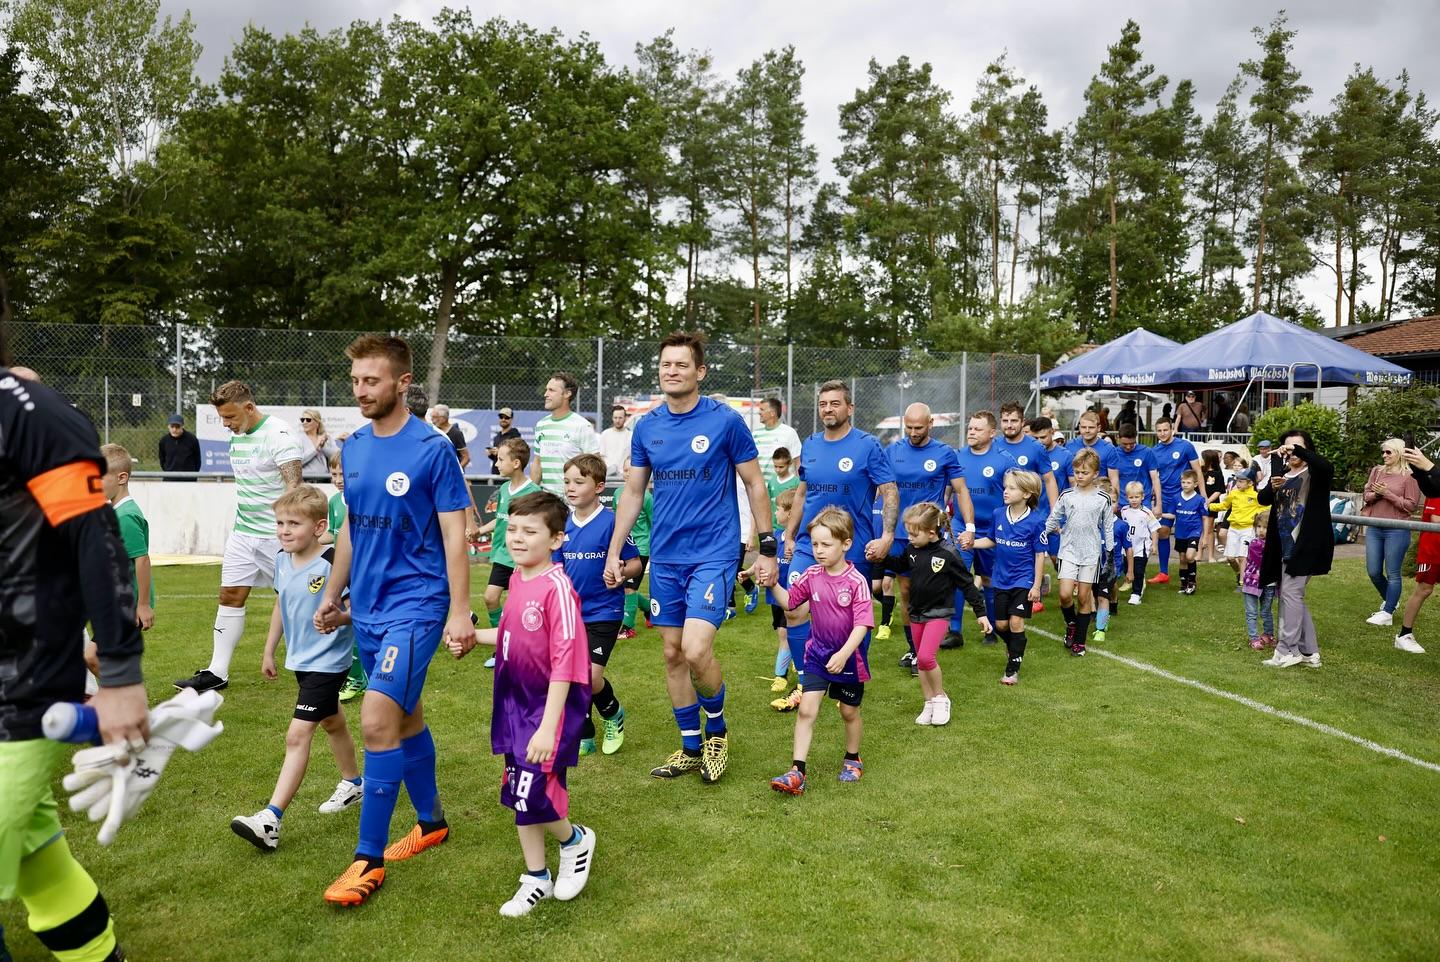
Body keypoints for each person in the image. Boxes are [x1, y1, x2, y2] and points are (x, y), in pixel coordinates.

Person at [1, 325, 148, 962]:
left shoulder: (28, 411)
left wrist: (118, 675)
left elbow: (97, 539)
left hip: (21, 687)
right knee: (40, 865)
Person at [314, 335, 475, 907]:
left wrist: (460, 610)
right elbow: (353, 530)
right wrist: (335, 594)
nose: (361, 391)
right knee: (406, 717)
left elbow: (456, 533)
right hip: (371, 608)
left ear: (403, 383)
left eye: (372, 381)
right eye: (356, 381)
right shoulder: (353, 447)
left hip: (419, 604)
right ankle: (431, 823)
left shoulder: (431, 450)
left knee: (377, 718)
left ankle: (367, 859)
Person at [605, 331, 776, 783]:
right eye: (665, 364)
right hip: (666, 557)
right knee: (670, 653)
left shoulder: (726, 421)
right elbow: (634, 491)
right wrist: (616, 549)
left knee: (697, 649)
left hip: (714, 553)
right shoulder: (648, 427)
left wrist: (767, 545)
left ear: (699, 372)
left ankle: (717, 732)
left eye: (681, 365)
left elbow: (755, 484)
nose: (671, 371)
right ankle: (689, 745)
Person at [445, 491, 597, 917]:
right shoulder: (518, 578)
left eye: (530, 531)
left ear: (556, 540)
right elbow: (513, 637)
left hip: (548, 708)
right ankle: (536, 877)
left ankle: (575, 840)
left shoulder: (559, 589)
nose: (516, 538)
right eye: (512, 529)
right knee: (517, 790)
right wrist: (473, 639)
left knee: (531, 791)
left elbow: (567, 662)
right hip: (514, 702)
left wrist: (549, 727)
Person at [230, 486, 363, 851]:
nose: (284, 530)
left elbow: (358, 612)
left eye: (294, 524)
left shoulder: (334, 562)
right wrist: (269, 650)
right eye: (280, 523)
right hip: (300, 660)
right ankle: (353, 783)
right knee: (332, 721)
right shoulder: (282, 560)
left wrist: (341, 619)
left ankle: (271, 819)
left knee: (297, 736)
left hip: (328, 663)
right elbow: (280, 606)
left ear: (319, 527)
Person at [176, 381, 303, 693]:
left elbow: (294, 484)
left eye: (230, 417)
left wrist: (288, 529)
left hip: (278, 537)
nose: (227, 425)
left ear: (249, 408)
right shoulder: (238, 435)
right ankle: (217, 671)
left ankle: (331, 667)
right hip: (243, 534)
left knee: (301, 601)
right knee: (230, 595)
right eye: (222, 419)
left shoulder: (279, 434)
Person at [780, 381, 896, 698]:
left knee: (851, 616)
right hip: (808, 544)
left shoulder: (868, 446)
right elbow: (802, 493)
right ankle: (807, 680)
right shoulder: (812, 445)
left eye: (834, 403)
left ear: (849, 408)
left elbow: (889, 492)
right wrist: (789, 535)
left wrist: (886, 535)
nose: (828, 409)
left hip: (852, 546)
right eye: (823, 404)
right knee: (793, 610)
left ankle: (850, 679)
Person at [767, 508, 874, 794]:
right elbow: (790, 602)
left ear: (846, 544)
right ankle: (796, 772)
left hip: (849, 658)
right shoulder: (812, 575)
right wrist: (772, 584)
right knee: (807, 711)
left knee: (849, 713)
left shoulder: (856, 582)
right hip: (817, 655)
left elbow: (863, 623)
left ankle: (853, 759)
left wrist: (844, 654)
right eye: (815, 544)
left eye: (826, 544)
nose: (819, 550)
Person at [558, 454, 641, 757]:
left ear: (599, 486)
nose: (571, 487)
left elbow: (635, 563)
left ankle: (613, 715)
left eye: (579, 482)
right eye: (567, 481)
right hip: (568, 615)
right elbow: (555, 568)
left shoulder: (612, 522)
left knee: (589, 676)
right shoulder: (561, 523)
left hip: (604, 612)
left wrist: (621, 572)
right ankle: (584, 734)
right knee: (569, 675)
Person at [881, 502, 988, 718]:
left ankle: (940, 698)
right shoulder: (912, 549)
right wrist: (880, 557)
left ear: (931, 533)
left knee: (927, 657)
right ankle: (928, 702)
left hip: (938, 614)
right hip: (916, 612)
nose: (909, 538)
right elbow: (900, 565)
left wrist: (981, 613)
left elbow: (967, 584)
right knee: (919, 660)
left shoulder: (948, 554)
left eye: (913, 533)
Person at [887, 403, 974, 665]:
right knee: (906, 593)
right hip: (902, 535)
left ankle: (926, 651)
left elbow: (961, 491)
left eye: (919, 427)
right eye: (909, 427)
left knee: (928, 593)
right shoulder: (893, 451)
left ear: (930, 423)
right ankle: (914, 649)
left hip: (931, 537)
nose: (913, 432)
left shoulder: (944, 453)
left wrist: (969, 528)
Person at [1256, 431, 1334, 669]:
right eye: (1287, 447)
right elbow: (1263, 499)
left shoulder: (1315, 473)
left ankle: (1287, 650)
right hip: (1283, 545)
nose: (1290, 451)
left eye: (1296, 447)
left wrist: (1298, 450)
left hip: (1307, 544)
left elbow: (1327, 466)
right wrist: (1273, 484)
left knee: (1291, 594)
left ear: (1306, 449)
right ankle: (1309, 652)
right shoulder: (1282, 473)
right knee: (1292, 596)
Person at [972, 471, 1045, 684]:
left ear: (1026, 494)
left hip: (1024, 580)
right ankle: (1015, 646)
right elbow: (991, 540)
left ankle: (1012, 670)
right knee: (1001, 625)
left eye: (1012, 488)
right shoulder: (998, 514)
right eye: (1006, 487)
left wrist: (1037, 585)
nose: (1006, 491)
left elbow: (1040, 555)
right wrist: (972, 543)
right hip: (1000, 579)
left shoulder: (1036, 521)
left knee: (1015, 623)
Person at [1043, 448, 1114, 656]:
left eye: (1084, 472)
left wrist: (1109, 553)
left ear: (1095, 473)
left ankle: (1079, 643)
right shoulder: (1066, 495)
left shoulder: (1103, 498)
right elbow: (1054, 518)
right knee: (1065, 595)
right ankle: (1071, 624)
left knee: (1084, 598)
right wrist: (1043, 533)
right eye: (1076, 472)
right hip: (1069, 551)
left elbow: (1107, 527)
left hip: (1091, 553)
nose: (1079, 476)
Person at [951, 411, 1010, 644]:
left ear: (991, 433)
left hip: (992, 529)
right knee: (957, 575)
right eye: (970, 428)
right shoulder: (957, 456)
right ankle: (954, 631)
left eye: (977, 429)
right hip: (961, 526)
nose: (971, 432)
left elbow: (1016, 492)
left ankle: (992, 630)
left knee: (988, 579)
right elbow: (949, 490)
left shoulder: (1005, 459)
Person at [1361, 439, 1421, 627]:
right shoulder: (1377, 471)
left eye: (1389, 452)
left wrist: (1388, 494)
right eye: (1383, 452)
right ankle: (1390, 602)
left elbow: (1410, 506)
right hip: (1374, 526)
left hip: (1397, 529)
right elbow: (1366, 495)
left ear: (1399, 454)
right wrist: (1378, 494)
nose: (1384, 456)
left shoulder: (1410, 476)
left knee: (1393, 572)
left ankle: (1387, 612)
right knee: (1373, 571)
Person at [324, 454, 367, 703]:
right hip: (341, 570)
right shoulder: (333, 502)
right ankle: (357, 675)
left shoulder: (364, 500)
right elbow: (332, 534)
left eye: (343, 474)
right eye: (334, 475)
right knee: (349, 622)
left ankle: (359, 677)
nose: (339, 480)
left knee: (357, 621)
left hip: (363, 570)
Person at [100, 444, 155, 632]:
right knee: (93, 656)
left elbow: (142, 560)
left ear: (121, 478)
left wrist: (143, 605)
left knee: (94, 656)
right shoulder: (116, 512)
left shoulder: (126, 517)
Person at [1149, 416, 1204, 585]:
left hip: (1185, 496)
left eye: (1166, 430)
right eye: (1159, 431)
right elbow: (1154, 477)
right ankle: (1164, 572)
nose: (1162, 433)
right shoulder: (1154, 451)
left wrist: (1203, 496)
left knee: (1187, 534)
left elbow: (1197, 471)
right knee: (1163, 531)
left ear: (1172, 429)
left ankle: (1189, 569)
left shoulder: (1185, 446)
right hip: (1166, 497)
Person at [532, 373, 600, 495]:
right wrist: (530, 495)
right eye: (546, 389)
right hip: (547, 502)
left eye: (551, 390)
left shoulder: (582, 426)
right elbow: (537, 463)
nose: (545, 394)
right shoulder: (541, 425)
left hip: (573, 504)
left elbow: (595, 467)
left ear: (567, 394)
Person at [1395, 494, 1440, 654]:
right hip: (1432, 551)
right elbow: (1436, 519)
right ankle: (1404, 634)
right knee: (1424, 590)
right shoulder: (1437, 489)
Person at [618, 461, 653, 640]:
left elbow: (654, 523)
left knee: (629, 589)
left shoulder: (646, 497)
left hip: (641, 548)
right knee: (624, 586)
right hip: (624, 548)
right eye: (625, 470)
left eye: (631, 471)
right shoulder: (617, 493)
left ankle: (627, 628)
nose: (627, 474)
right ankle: (648, 609)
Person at [1242, 510, 1277, 651]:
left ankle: (1268, 635)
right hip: (1252, 582)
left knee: (1266, 611)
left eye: (1266, 527)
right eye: (1259, 527)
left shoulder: (1275, 544)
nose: (1261, 531)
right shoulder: (1255, 544)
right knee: (1252, 612)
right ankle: (1254, 638)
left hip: (1269, 583)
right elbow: (1261, 561)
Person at [1120, 482, 1160, 605]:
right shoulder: (1124, 511)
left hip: (1141, 548)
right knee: (1127, 568)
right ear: (1127, 497)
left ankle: (1136, 594)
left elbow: (1154, 529)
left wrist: (1154, 544)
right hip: (1127, 548)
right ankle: (1140, 580)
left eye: (1136, 497)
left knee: (1138, 569)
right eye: (1131, 497)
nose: (1134, 500)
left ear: (1142, 497)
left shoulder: (1146, 513)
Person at [1170, 471, 1209, 595]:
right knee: (1182, 559)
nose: (1185, 485)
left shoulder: (1199, 499)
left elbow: (1205, 518)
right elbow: (1172, 514)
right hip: (1180, 533)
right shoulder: (1176, 497)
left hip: (1194, 531)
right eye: (1183, 482)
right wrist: (1158, 515)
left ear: (1195, 484)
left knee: (1190, 556)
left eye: (1188, 482)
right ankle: (1183, 583)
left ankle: (1192, 582)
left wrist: (1205, 537)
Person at [752, 397, 804, 488]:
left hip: (784, 489)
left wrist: (800, 488)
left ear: (772, 413)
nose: (759, 412)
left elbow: (798, 462)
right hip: (760, 489)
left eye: (762, 409)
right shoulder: (755, 434)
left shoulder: (789, 433)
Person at [1115, 424, 1162, 511]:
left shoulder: (1146, 452)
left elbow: (1155, 478)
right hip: (1121, 504)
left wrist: (1158, 505)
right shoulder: (1114, 453)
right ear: (1118, 438)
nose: (1128, 447)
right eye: (1124, 444)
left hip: (1143, 503)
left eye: (1132, 443)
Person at [1200, 449, 1227, 562]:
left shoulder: (1217, 473)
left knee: (1210, 529)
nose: (1200, 460)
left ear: (1209, 460)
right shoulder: (1200, 472)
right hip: (1199, 504)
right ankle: (1199, 554)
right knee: (1200, 529)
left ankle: (1211, 556)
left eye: (1202, 458)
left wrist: (1208, 501)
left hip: (1211, 504)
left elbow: (1219, 490)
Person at [158, 412, 201, 480]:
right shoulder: (164, 441)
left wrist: (192, 475)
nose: (174, 429)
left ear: (182, 426)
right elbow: (162, 459)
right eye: (172, 426)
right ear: (168, 426)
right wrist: (168, 471)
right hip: (169, 479)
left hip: (188, 479)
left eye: (177, 427)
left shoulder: (192, 439)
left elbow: (197, 459)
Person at [298, 408, 338, 478]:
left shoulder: (326, 438)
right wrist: (315, 448)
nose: (304, 422)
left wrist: (323, 447)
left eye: (308, 420)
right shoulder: (298, 439)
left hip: (325, 478)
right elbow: (297, 462)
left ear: (317, 423)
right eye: (302, 420)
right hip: (306, 479)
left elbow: (337, 456)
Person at [429, 405, 470, 471]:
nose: (432, 419)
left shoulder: (456, 433)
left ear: (443, 418)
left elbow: (466, 457)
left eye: (434, 417)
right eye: (431, 416)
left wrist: (456, 471)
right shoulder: (433, 431)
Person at [596, 405, 631, 479]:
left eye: (620, 418)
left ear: (625, 418)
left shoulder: (631, 435)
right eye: (615, 418)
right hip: (607, 475)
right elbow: (601, 456)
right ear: (612, 418)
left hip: (625, 475)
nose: (617, 420)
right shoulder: (605, 434)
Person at [486, 407, 521, 476]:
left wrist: (499, 451)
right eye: (501, 417)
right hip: (496, 473)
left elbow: (518, 452)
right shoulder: (497, 436)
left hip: (509, 474)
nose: (503, 419)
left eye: (506, 417)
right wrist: (491, 454)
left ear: (511, 419)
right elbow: (497, 458)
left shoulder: (514, 433)